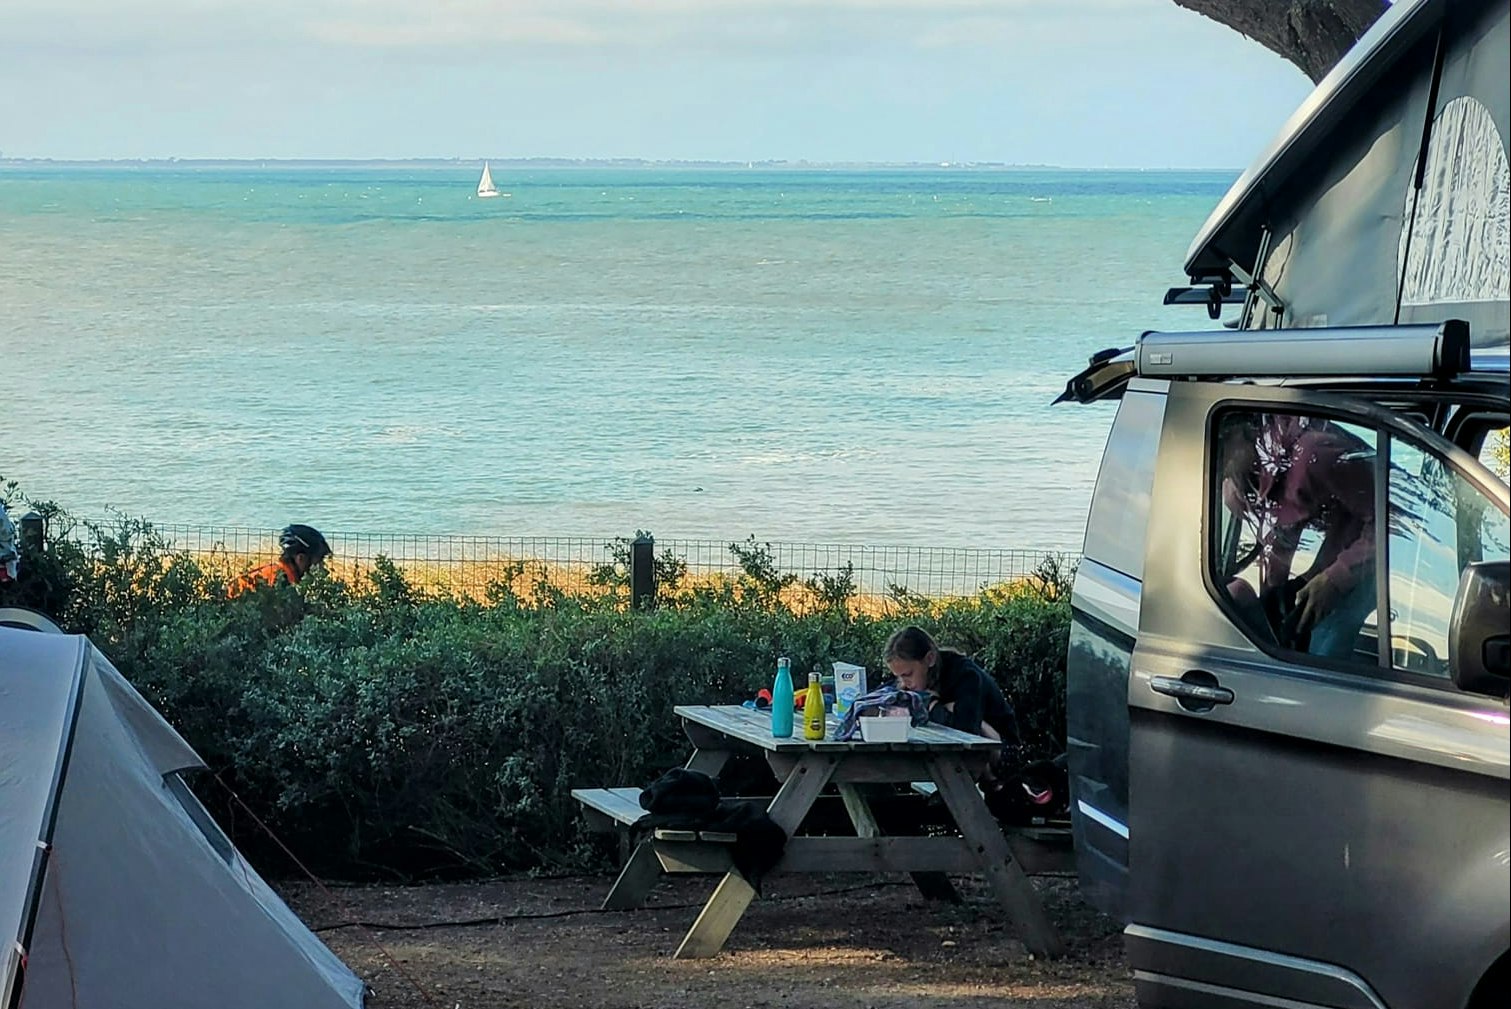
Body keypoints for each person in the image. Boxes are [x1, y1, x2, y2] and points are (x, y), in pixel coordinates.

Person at [1218, 412, 1377, 660]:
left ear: (1240, 432)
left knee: (1324, 661)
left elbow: (1390, 522)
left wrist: (1334, 580)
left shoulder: (1314, 455)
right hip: (1325, 563)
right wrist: (1273, 602)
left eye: (1218, 454)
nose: (1217, 471)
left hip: (1373, 569)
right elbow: (1283, 535)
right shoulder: (1251, 471)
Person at [883, 625, 1020, 745]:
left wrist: (932, 705)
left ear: (929, 659)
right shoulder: (916, 677)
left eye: (908, 674)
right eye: (899, 676)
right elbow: (878, 699)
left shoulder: (966, 676)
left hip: (1003, 748)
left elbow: (966, 732)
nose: (904, 682)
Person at [230, 524, 332, 596]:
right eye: (319, 560)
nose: (322, 566)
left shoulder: (283, 574)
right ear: (301, 558)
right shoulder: (279, 581)